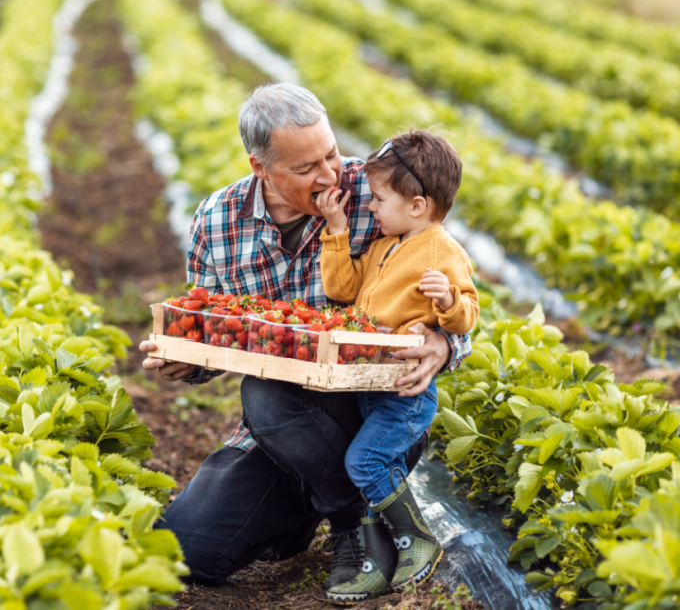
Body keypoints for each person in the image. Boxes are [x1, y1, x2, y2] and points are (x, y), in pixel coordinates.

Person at [138, 84, 472, 600]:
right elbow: (216, 325)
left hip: (366, 412)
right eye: (305, 168)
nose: (330, 174)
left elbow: (455, 296)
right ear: (260, 168)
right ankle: (310, 509)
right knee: (184, 552)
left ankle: (352, 528)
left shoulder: (381, 192)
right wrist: (186, 359)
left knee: (264, 391)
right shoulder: (216, 221)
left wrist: (446, 347)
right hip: (278, 433)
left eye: (332, 153)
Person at [314, 129, 478, 603]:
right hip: (371, 384)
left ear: (417, 205)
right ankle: (379, 559)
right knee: (373, 469)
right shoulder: (387, 246)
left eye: (378, 199)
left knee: (364, 462)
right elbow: (343, 290)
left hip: (405, 390)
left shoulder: (441, 251)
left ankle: (418, 539)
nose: (371, 207)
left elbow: (468, 311)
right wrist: (338, 230)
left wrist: (447, 301)